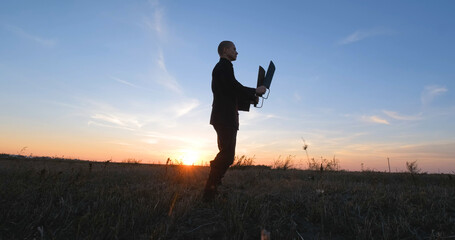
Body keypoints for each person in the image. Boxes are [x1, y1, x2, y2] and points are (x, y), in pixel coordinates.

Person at [203, 41, 267, 201]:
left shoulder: (224, 68)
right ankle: (209, 193)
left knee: (227, 154)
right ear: (225, 51)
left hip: (225, 116)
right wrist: (255, 91)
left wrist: (252, 99)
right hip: (224, 117)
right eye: (234, 49)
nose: (237, 52)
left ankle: (212, 189)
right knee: (227, 155)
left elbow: (230, 93)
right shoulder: (223, 67)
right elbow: (233, 87)